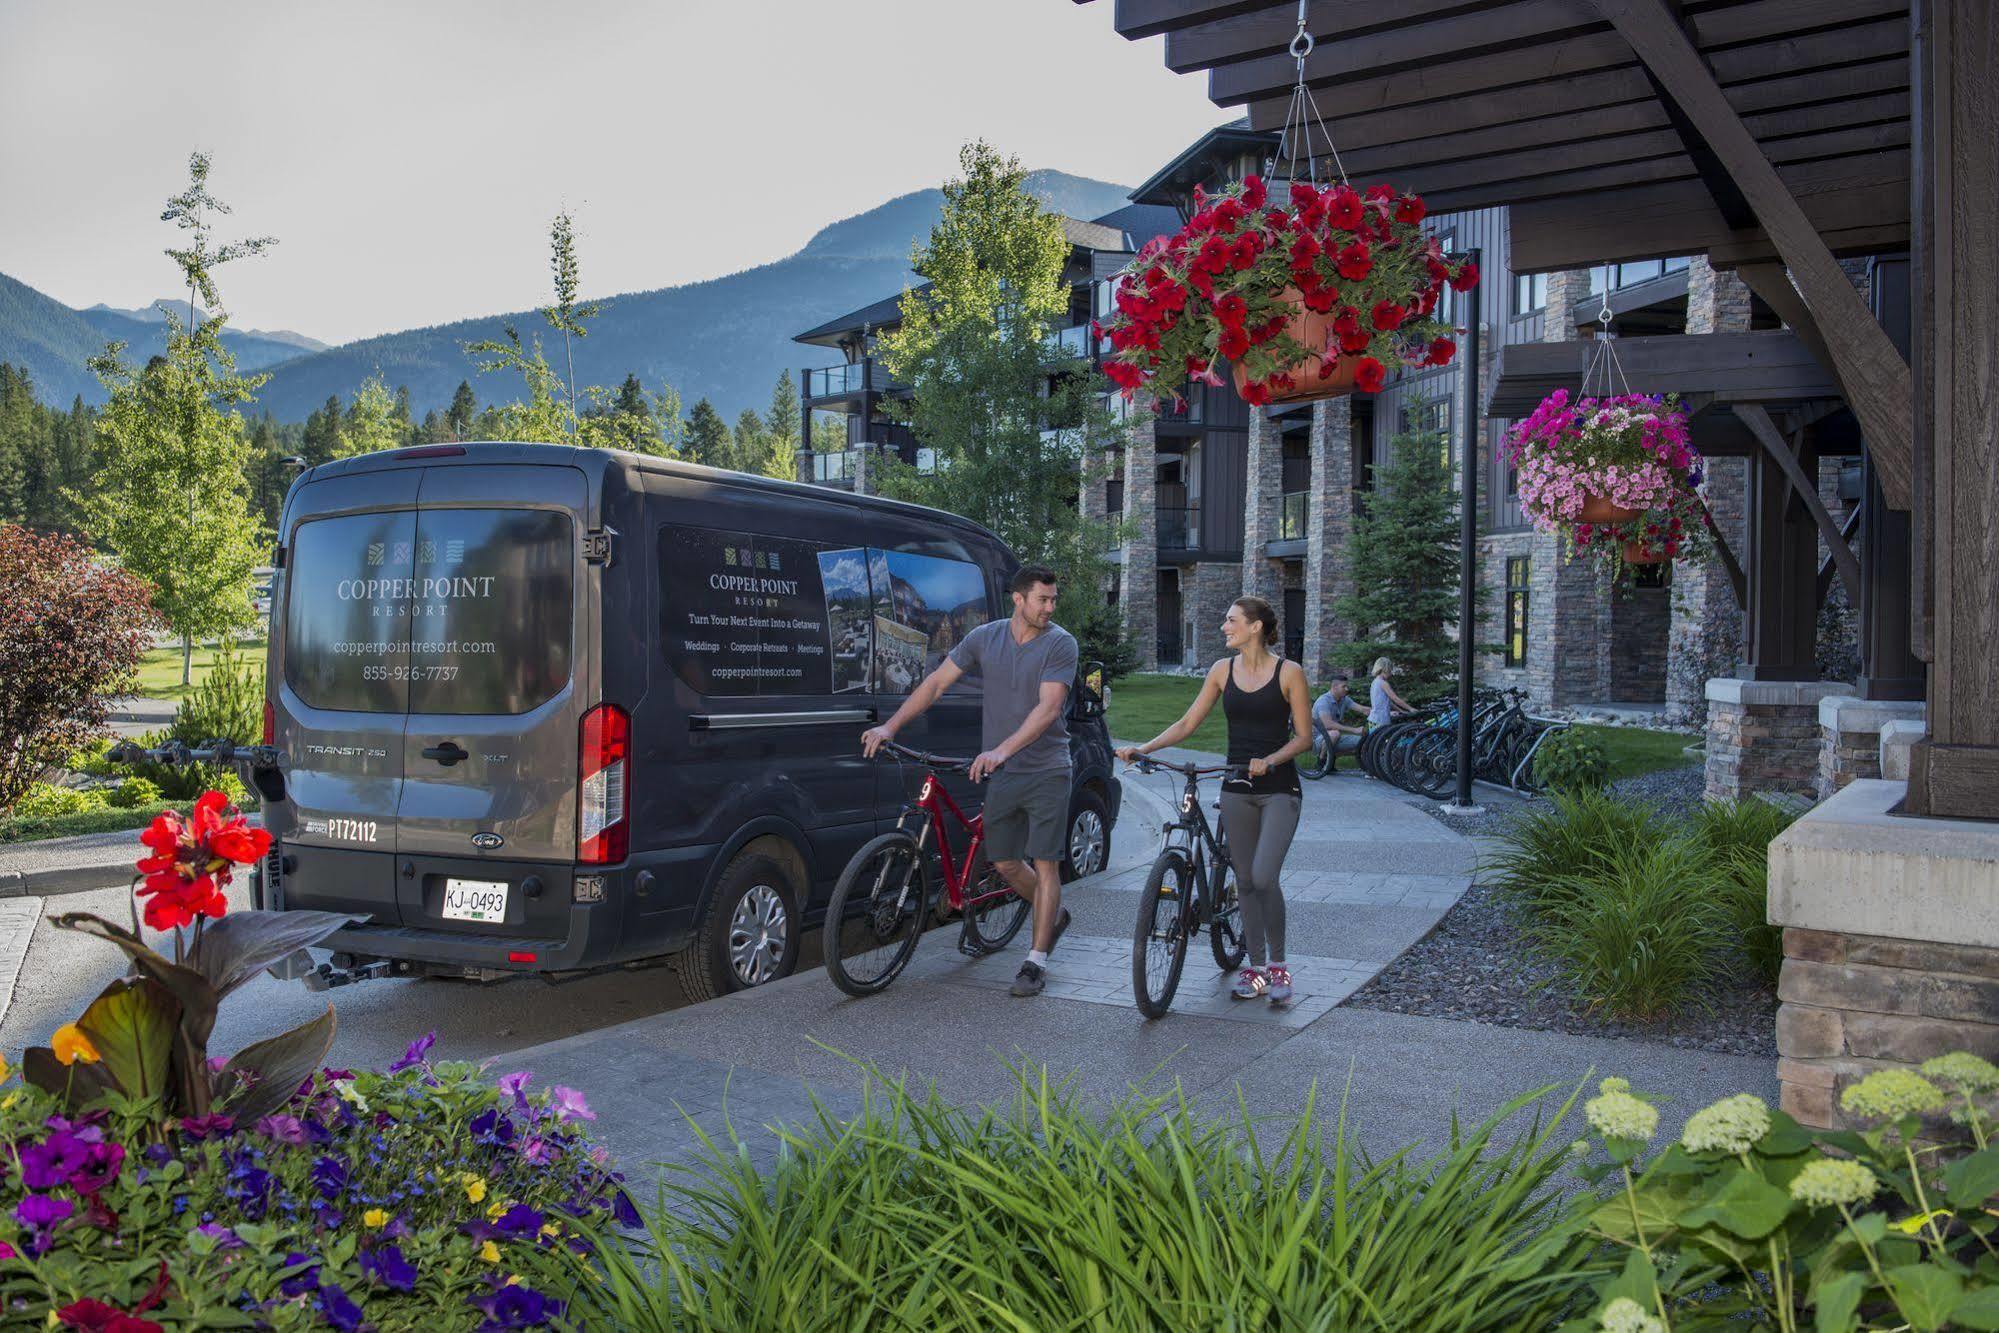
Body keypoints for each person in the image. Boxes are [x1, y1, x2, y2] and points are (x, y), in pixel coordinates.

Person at [862, 564, 1078, 998]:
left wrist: (1001, 749)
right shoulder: (985, 637)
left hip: (1047, 768)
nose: (1050, 608)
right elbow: (936, 683)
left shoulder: (1061, 644)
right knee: (1003, 863)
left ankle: (1035, 962)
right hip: (1004, 771)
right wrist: (891, 726)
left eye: (1054, 600)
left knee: (1045, 862)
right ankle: (1050, 911)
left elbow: (1049, 708)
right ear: (1019, 599)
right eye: (1043, 599)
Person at [1116, 596, 1314, 1003]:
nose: (1224, 627)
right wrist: (1144, 748)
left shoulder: (1288, 672)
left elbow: (1305, 737)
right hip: (1235, 787)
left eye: (1231, 620)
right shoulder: (1222, 671)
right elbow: (1189, 722)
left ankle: (1279, 966)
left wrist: (1271, 759)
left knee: (1263, 877)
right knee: (1243, 880)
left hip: (1279, 789)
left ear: (1255, 626)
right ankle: (1256, 969)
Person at [1311, 674, 1368, 766]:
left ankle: (1331, 759)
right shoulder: (1323, 701)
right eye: (1344, 686)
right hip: (1317, 739)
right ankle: (1321, 761)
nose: (1347, 689)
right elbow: (1328, 724)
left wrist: (1387, 712)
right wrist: (1354, 730)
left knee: (1364, 741)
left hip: (1334, 738)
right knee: (1335, 733)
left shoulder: (1344, 699)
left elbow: (1363, 709)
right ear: (1334, 687)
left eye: (1347, 686)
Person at [1369, 656, 1413, 727]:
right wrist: (1410, 708)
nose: (1391, 673)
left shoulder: (1374, 682)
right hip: (1381, 721)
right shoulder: (1383, 683)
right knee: (1385, 738)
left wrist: (1401, 711)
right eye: (1390, 670)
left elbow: (1388, 702)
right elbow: (1395, 698)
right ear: (1384, 669)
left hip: (1373, 720)